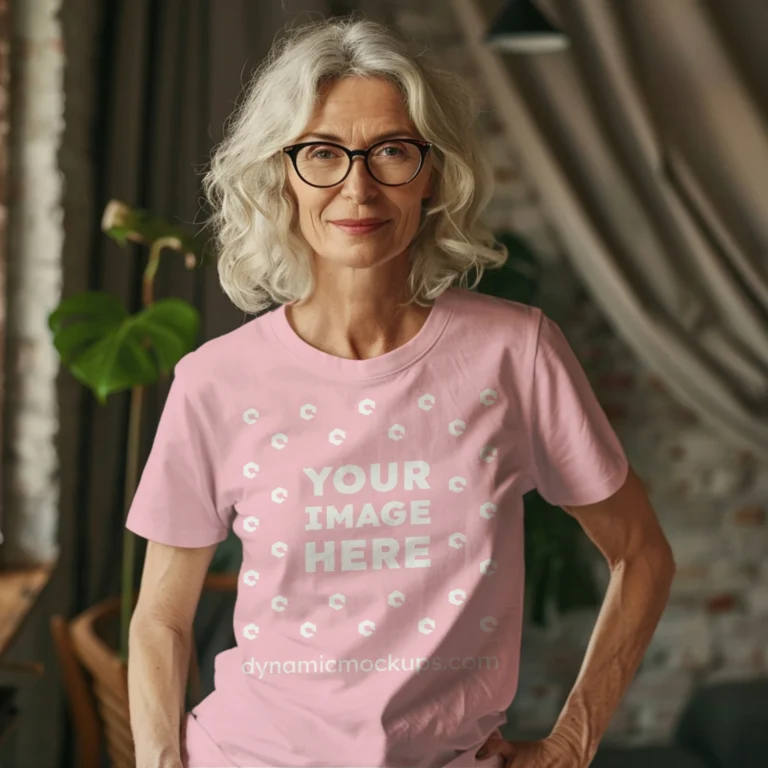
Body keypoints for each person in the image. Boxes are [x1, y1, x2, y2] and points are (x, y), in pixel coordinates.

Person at [125, 14, 676, 768]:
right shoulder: (215, 381)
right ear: (282, 175)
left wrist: (575, 740)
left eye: (390, 151)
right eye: (322, 152)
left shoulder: (515, 353)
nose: (357, 186)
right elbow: (161, 618)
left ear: (433, 174)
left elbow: (642, 553)